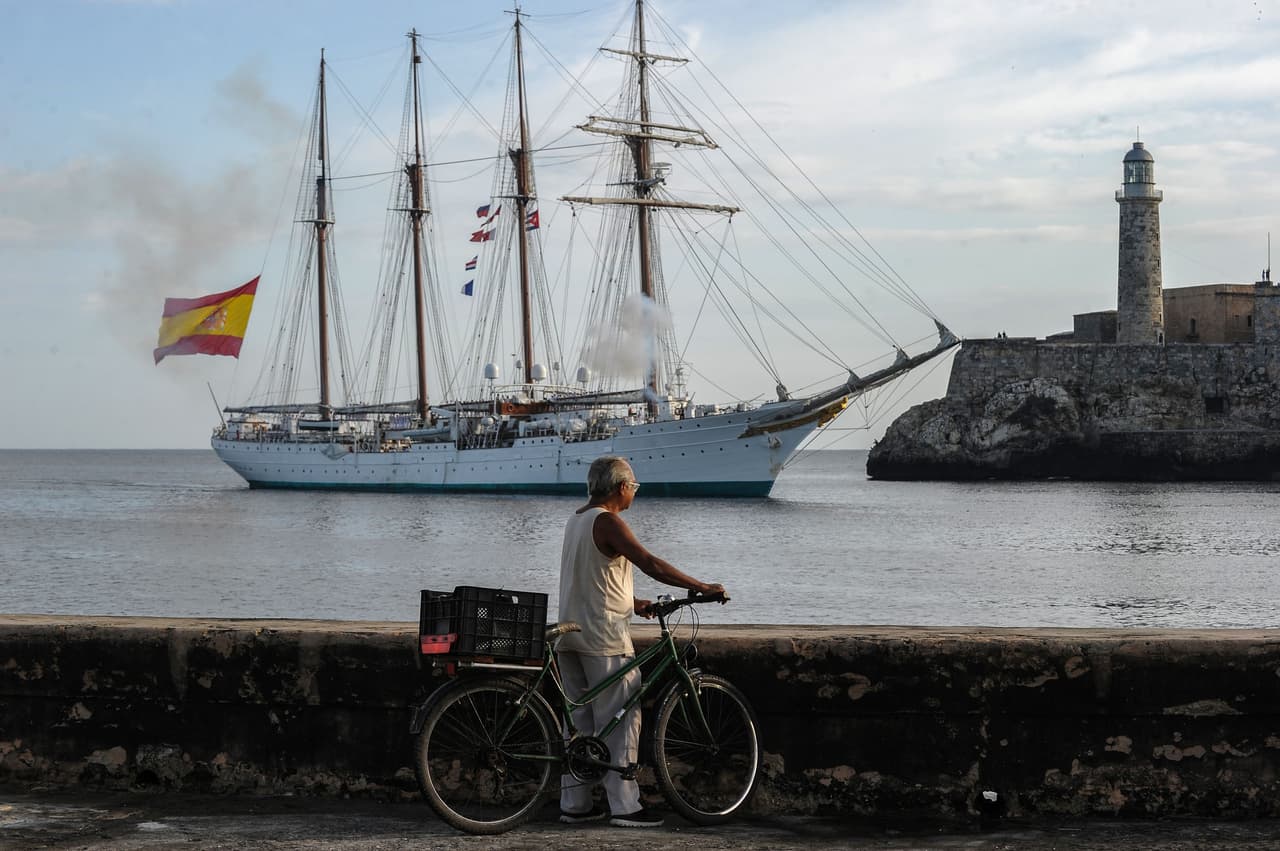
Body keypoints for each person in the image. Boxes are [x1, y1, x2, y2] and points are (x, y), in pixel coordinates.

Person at [557, 455, 726, 829]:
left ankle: (575, 804)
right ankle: (625, 807)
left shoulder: (576, 519)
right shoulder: (608, 521)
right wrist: (700, 586)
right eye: (633, 486)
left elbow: (591, 578)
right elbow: (650, 563)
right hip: (603, 637)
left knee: (581, 725)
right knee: (621, 719)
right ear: (621, 487)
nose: (634, 492)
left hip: (570, 635)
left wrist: (633, 603)